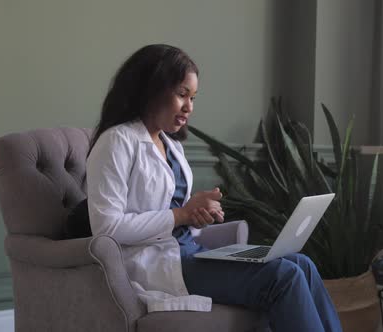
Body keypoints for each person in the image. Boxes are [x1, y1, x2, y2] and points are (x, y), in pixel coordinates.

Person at [86, 44, 342, 332]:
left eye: (193, 98)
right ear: (151, 89)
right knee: (284, 276)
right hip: (153, 265)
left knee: (302, 264)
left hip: (189, 251)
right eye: (182, 95)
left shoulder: (171, 145)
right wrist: (182, 215)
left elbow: (168, 210)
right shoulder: (117, 141)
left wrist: (197, 213)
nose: (189, 107)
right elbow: (106, 229)